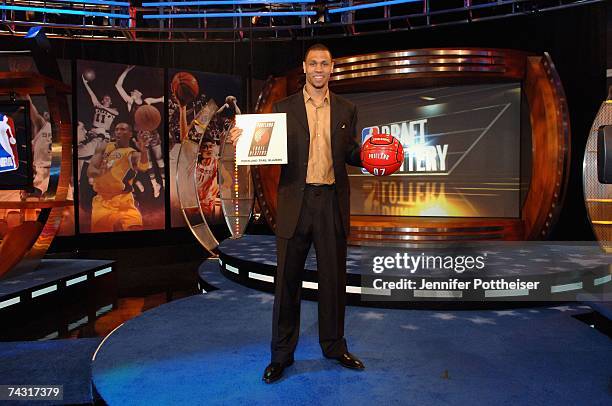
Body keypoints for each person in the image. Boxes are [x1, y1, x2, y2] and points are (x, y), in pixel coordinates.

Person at [230, 43, 364, 383]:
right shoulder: (282, 108)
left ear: (332, 68)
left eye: (324, 63)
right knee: (286, 283)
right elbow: (261, 146)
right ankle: (280, 355)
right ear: (304, 68)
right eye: (313, 63)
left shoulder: (347, 109)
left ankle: (335, 346)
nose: (319, 69)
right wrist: (239, 139)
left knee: (333, 282)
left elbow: (351, 153)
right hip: (294, 204)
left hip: (331, 203)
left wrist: (374, 158)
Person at [87, 122, 150, 232]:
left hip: (124, 201)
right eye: (116, 129)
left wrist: (144, 150)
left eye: (123, 129)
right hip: (102, 201)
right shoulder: (103, 147)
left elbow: (143, 166)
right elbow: (91, 170)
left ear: (130, 134)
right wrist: (99, 173)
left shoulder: (131, 153)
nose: (119, 132)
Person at [115, 65, 165, 198]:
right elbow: (118, 86)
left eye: (134, 91)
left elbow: (161, 98)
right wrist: (126, 71)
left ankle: (164, 181)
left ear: (140, 94)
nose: (131, 92)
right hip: (141, 135)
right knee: (147, 162)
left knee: (159, 159)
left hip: (152, 132)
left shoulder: (146, 101)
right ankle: (155, 185)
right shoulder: (130, 102)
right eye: (131, 92)